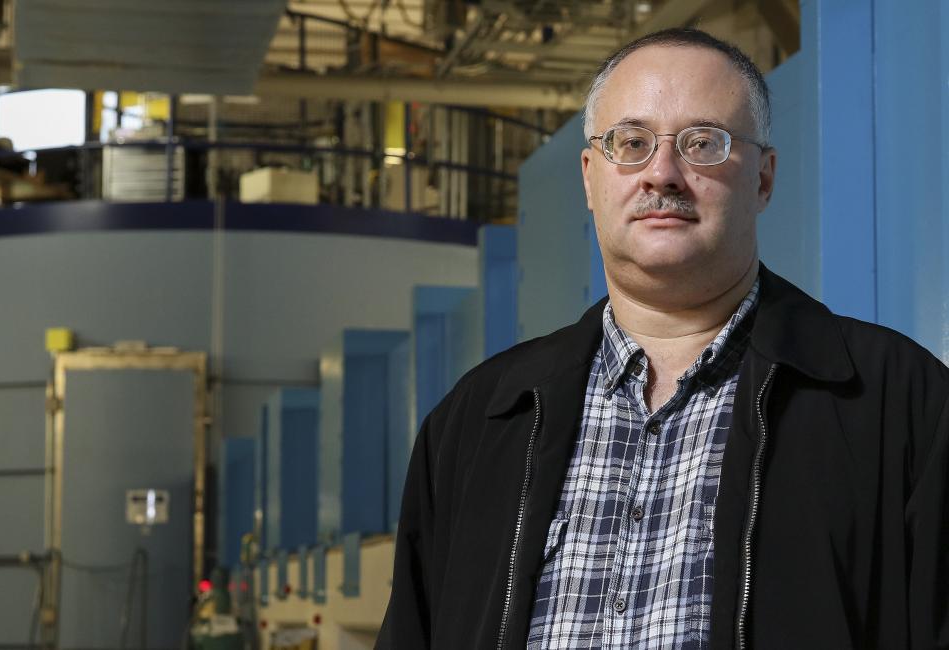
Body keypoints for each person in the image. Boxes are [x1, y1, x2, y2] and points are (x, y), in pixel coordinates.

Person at [377, 28, 949, 649]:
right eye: (632, 142)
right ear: (591, 179)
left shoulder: (900, 404)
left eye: (704, 143)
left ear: (763, 179)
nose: (663, 174)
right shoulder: (478, 420)